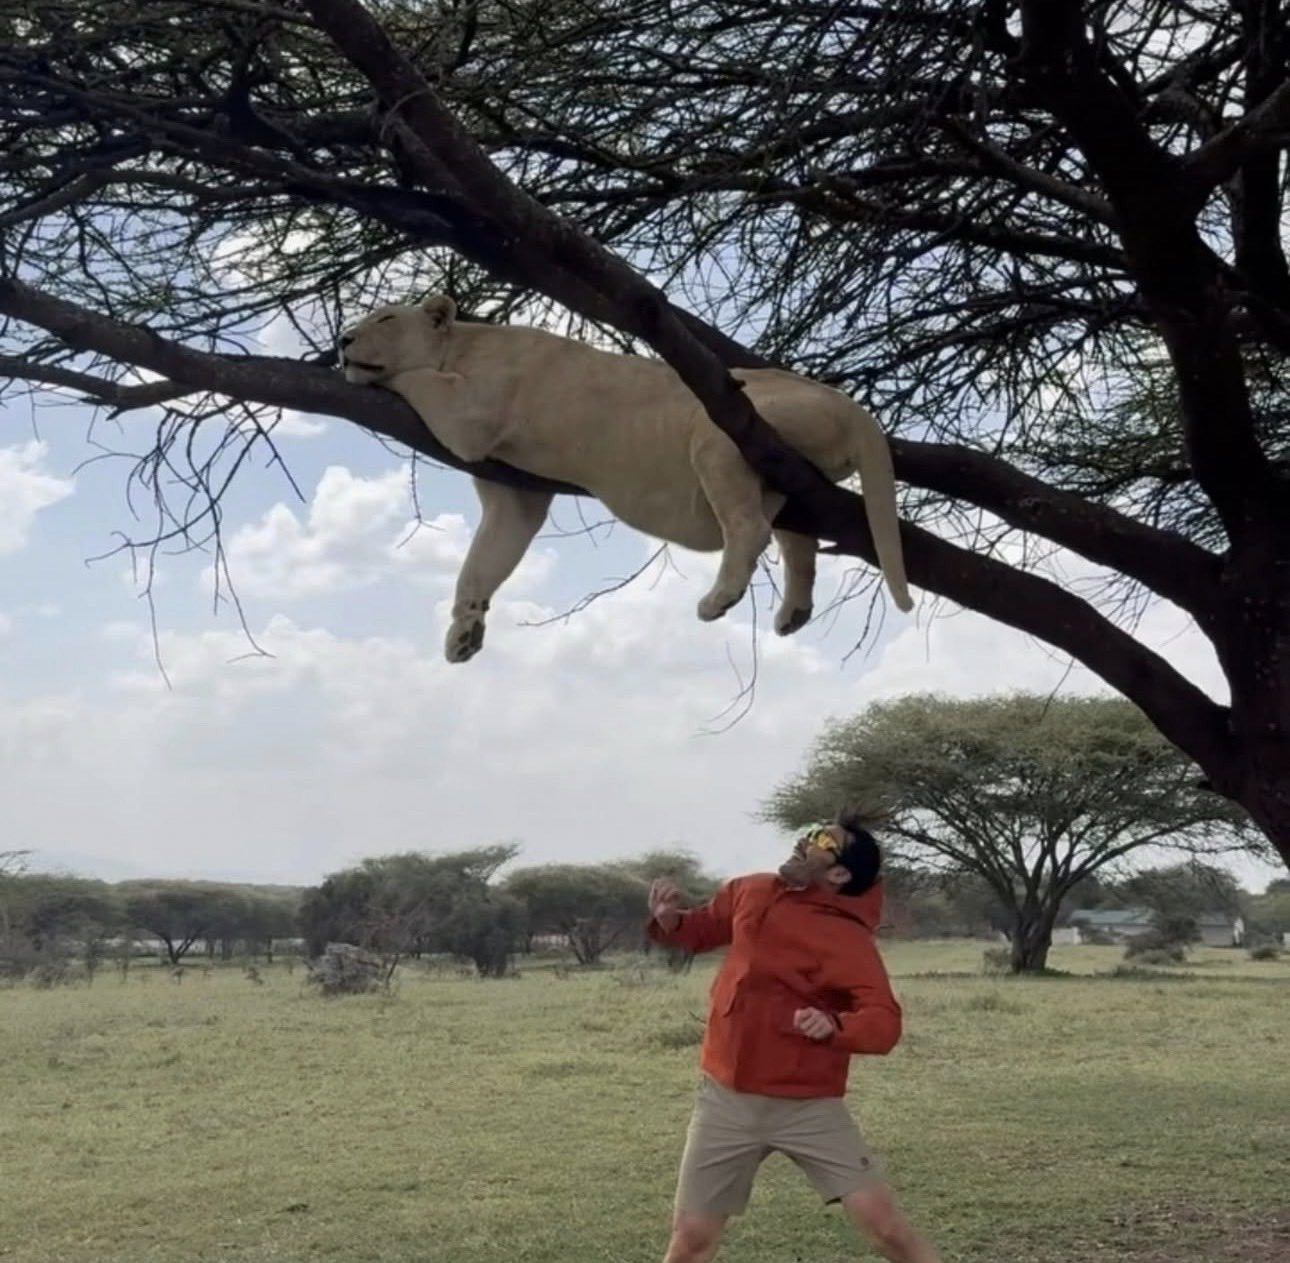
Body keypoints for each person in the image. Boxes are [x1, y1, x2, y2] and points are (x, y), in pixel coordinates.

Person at [647, 815, 941, 1263]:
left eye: (824, 840)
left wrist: (837, 1027)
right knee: (690, 1239)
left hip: (807, 1106)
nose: (807, 840)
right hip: (725, 1100)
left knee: (888, 1232)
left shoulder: (848, 939)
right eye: (812, 830)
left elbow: (885, 1021)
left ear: (839, 874)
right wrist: (671, 923)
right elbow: (705, 927)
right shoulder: (751, 889)